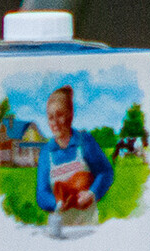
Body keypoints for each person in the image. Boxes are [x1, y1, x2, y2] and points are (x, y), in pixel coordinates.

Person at [34, 85, 112, 230]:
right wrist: (57, 203)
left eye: (60, 115)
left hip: (87, 225)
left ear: (70, 114)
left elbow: (106, 172)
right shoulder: (46, 152)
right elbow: (42, 193)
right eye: (51, 117)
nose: (55, 123)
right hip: (60, 227)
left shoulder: (84, 141)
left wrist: (92, 193)